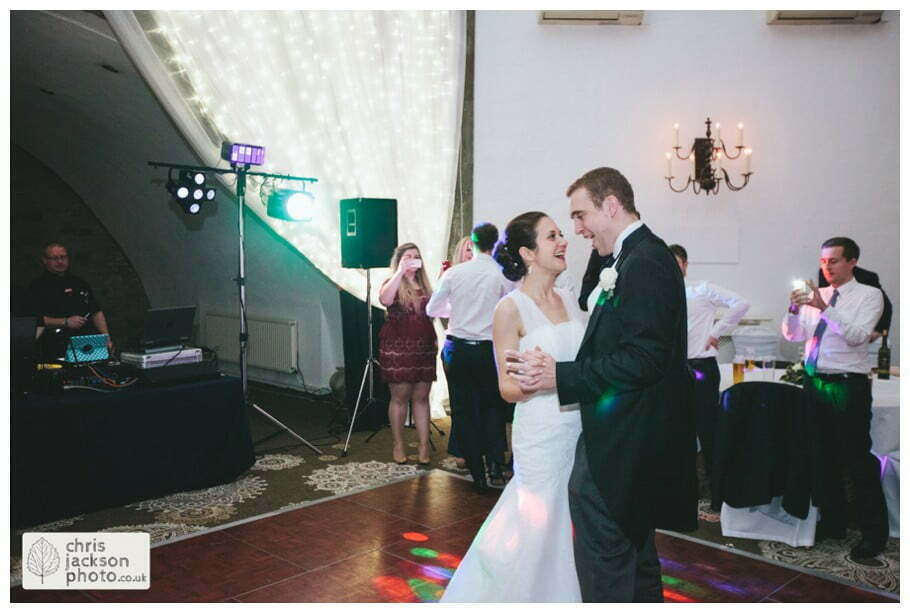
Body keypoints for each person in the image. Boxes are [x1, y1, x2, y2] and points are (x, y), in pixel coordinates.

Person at [509, 167, 697, 602]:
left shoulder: (645, 262)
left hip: (627, 435)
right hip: (624, 430)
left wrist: (560, 375)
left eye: (580, 216)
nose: (576, 229)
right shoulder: (629, 257)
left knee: (606, 555)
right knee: (633, 547)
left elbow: (644, 359)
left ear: (610, 205)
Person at [440, 212, 586, 602]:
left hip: (578, 427)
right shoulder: (510, 308)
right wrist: (535, 379)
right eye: (552, 236)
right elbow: (506, 388)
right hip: (541, 431)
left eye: (561, 234)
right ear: (528, 252)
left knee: (572, 520)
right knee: (537, 523)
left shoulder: (571, 301)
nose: (563, 241)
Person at [782, 236, 888, 560]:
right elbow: (794, 335)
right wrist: (793, 309)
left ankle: (874, 534)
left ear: (852, 262)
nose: (826, 267)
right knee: (821, 457)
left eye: (834, 261)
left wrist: (824, 309)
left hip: (847, 385)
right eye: (823, 261)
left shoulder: (869, 295)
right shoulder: (819, 295)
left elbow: (858, 336)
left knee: (857, 461)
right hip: (815, 382)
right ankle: (833, 522)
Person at [426, 223, 513, 490]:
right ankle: (495, 465)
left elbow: (432, 309)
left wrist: (457, 308)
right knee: (493, 408)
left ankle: (477, 474)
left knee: (464, 410)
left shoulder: (454, 273)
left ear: (472, 244)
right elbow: (510, 309)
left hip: (458, 350)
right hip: (488, 350)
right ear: (494, 244)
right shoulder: (501, 275)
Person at [669, 243, 750, 509]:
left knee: (708, 433)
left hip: (701, 368)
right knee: (678, 436)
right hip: (673, 371)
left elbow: (741, 303)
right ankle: (684, 497)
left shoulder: (701, 289)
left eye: (676, 263)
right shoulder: (658, 294)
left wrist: (716, 332)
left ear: (685, 265)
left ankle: (718, 496)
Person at [378, 243, 437, 465]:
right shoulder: (392, 282)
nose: (412, 259)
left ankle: (423, 445)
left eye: (416, 256)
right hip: (398, 347)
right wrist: (400, 272)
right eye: (407, 256)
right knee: (400, 397)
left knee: (421, 397)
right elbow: (385, 300)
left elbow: (436, 310)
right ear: (399, 259)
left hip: (424, 347)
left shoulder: (426, 286)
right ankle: (398, 444)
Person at [28, 241, 113, 359]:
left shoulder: (79, 283)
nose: (60, 261)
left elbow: (96, 312)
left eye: (63, 257)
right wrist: (65, 322)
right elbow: (34, 319)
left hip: (85, 344)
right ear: (44, 260)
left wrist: (106, 338)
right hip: (55, 344)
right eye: (55, 258)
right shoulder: (37, 287)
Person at [437, 234, 475, 470]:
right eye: (468, 249)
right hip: (457, 344)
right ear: (460, 253)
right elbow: (439, 310)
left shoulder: (492, 276)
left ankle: (488, 451)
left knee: (485, 404)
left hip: (485, 346)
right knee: (460, 402)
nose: (472, 253)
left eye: (475, 249)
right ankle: (462, 450)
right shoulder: (451, 276)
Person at [817, 261, 891, 340]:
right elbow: (825, 297)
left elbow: (885, 305)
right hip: (831, 330)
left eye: (834, 261)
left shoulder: (867, 277)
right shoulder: (825, 272)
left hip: (859, 329)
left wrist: (879, 331)